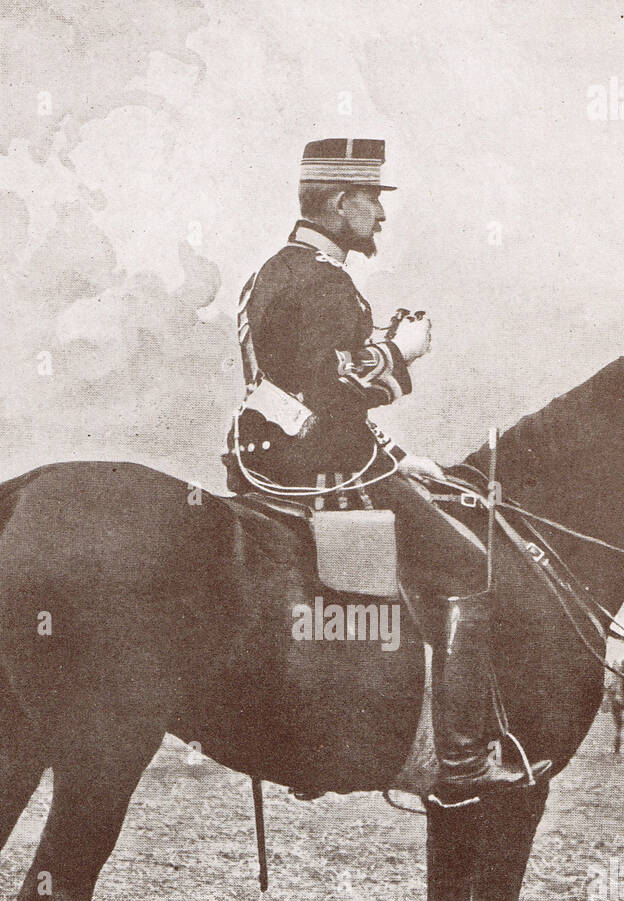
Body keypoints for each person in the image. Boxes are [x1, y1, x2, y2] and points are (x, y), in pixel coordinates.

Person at [223, 137, 551, 805]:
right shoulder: (326, 280)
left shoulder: (268, 273)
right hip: (321, 474)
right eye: (372, 202)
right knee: (466, 566)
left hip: (260, 464)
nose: (381, 216)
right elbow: (333, 394)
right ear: (342, 203)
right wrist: (402, 353)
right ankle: (460, 761)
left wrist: (402, 458)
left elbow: (292, 394)